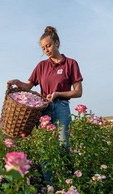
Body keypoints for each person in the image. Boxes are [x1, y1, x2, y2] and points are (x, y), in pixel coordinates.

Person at [7, 26, 83, 183]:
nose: (46, 50)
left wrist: (58, 94)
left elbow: (78, 92)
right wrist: (16, 82)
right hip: (44, 111)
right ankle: (50, 186)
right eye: (43, 48)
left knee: (64, 144)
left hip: (62, 107)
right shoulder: (41, 66)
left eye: (48, 45)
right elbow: (28, 86)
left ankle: (68, 183)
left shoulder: (70, 64)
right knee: (46, 148)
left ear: (57, 43)